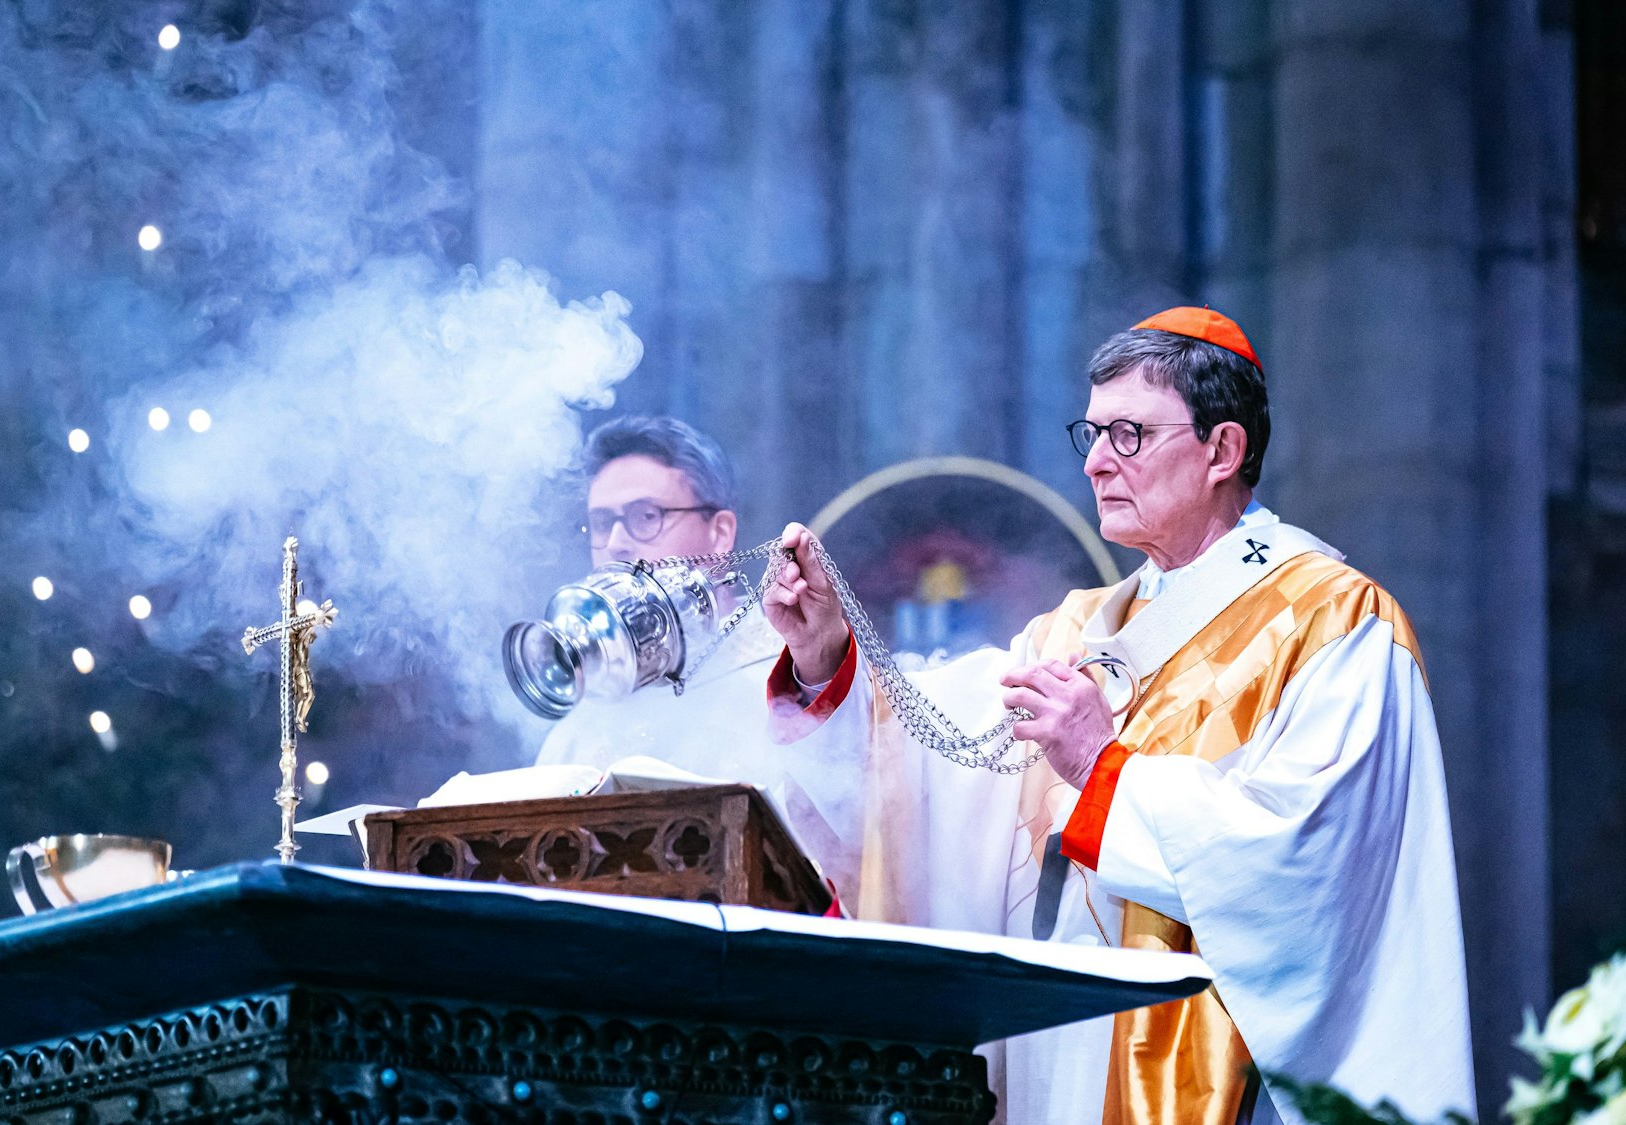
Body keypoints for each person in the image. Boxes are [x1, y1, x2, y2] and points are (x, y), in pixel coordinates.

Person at [761, 309, 1474, 1125]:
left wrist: (1106, 768)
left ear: (1223, 450)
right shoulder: (1074, 630)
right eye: (1092, 434)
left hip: (1221, 1070)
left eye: (1129, 434)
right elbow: (931, 756)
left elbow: (1309, 862)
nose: (1098, 462)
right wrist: (825, 659)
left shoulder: (1334, 622)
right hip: (1060, 1062)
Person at [535, 415, 860, 899]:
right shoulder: (584, 715)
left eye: (646, 517)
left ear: (720, 532)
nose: (618, 542)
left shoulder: (801, 673)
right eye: (602, 523)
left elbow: (856, 843)